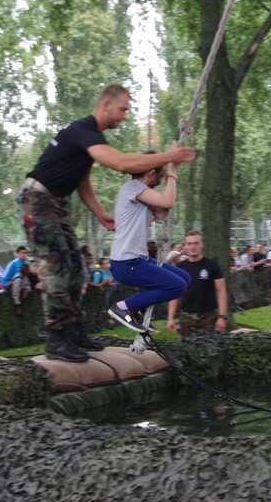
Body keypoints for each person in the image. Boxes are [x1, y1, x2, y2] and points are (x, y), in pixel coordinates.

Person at [17, 83, 196, 362]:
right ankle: (56, 337)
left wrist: (100, 213)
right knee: (57, 267)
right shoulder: (83, 131)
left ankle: (73, 330)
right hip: (36, 200)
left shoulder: (89, 140)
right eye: (122, 109)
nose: (125, 116)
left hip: (56, 202)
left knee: (75, 266)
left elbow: (83, 182)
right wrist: (170, 157)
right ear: (105, 105)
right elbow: (121, 163)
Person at [108, 155, 190, 333]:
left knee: (185, 278)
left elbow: (161, 213)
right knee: (177, 286)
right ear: (152, 173)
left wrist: (168, 175)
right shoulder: (133, 187)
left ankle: (137, 308)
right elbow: (167, 201)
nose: (161, 180)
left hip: (138, 259)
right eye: (160, 177)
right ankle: (123, 307)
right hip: (126, 263)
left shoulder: (142, 194)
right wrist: (173, 171)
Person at [166, 230, 228, 337]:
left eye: (196, 243)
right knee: (187, 347)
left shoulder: (212, 265)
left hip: (209, 317)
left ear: (202, 244)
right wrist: (170, 318)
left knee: (211, 347)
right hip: (187, 318)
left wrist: (222, 317)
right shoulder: (179, 268)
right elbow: (174, 295)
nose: (193, 247)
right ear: (185, 246)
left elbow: (221, 290)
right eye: (189, 243)